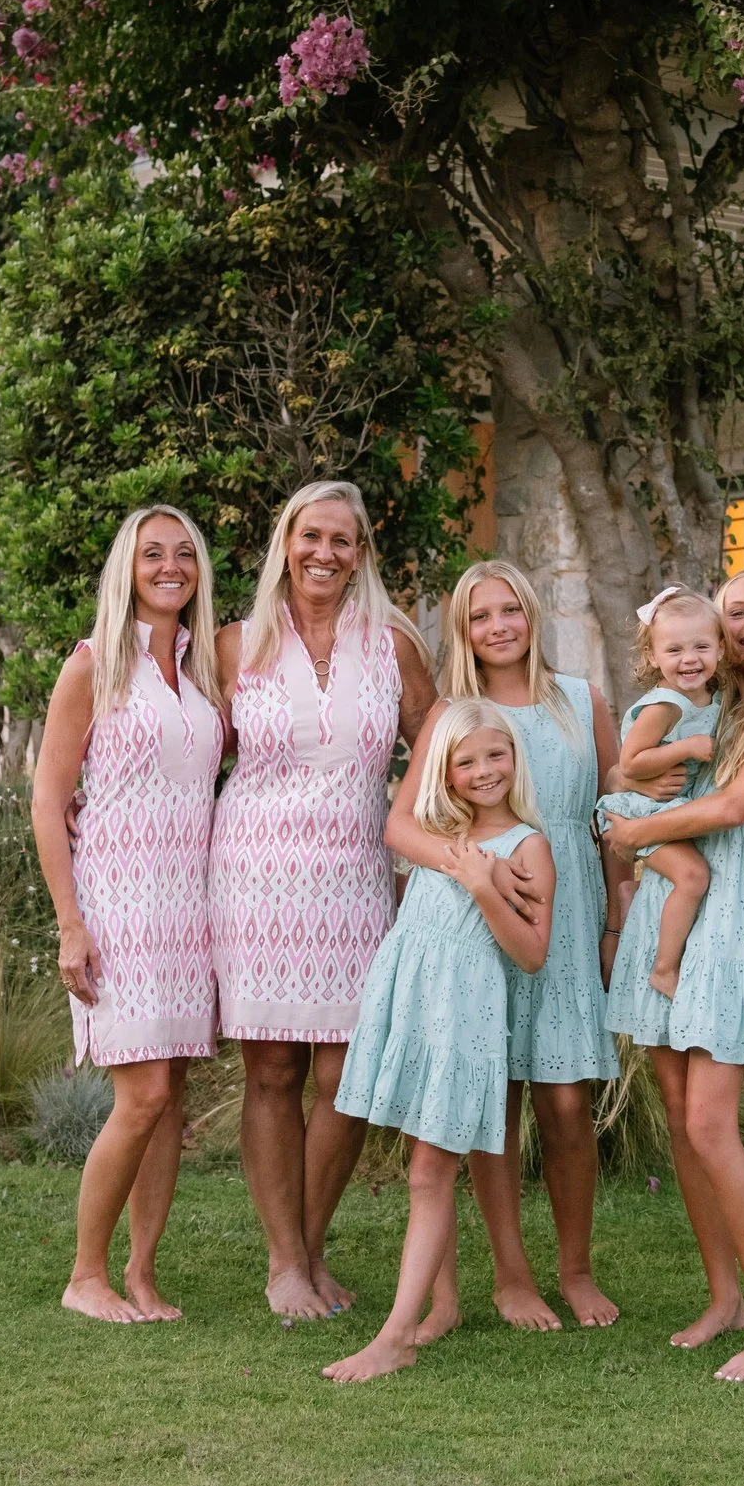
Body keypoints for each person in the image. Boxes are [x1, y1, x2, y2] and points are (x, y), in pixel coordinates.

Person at [210, 481, 437, 1320]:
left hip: (352, 871)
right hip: (253, 873)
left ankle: (307, 1246)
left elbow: (438, 741)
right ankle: (286, 1263)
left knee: (345, 1072)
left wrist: (419, 837)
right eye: (312, 536)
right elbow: (199, 747)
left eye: (343, 540)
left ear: (362, 553)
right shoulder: (235, 645)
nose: (325, 553)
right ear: (286, 542)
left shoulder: (395, 646)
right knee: (272, 1068)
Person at [385, 560, 623, 1330]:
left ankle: (576, 1268)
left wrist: (618, 916)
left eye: (509, 610)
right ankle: (511, 1275)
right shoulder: (459, 711)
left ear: (530, 615)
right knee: (497, 1097)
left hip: (571, 908)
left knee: (564, 1100)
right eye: (481, 615)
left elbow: (612, 813)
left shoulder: (583, 699)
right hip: (482, 925)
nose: (498, 626)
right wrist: (472, 869)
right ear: (465, 630)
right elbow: (402, 824)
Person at [601, 568, 744, 1383]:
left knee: (710, 1127)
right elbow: (630, 768)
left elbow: (732, 809)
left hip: (732, 920)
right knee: (683, 1119)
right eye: (739, 613)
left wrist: (632, 828)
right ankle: (723, 1296)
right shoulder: (705, 701)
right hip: (676, 906)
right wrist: (624, 799)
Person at [33, 506, 225, 1323]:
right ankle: (86, 1274)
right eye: (154, 553)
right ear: (128, 566)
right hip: (118, 900)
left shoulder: (202, 668)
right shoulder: (91, 665)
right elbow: (47, 797)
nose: (171, 566)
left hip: (190, 904)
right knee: (141, 1094)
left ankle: (142, 1272)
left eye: (185, 554)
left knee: (171, 1097)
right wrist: (69, 921)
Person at [326, 701, 556, 1382]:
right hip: (415, 1005)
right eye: (467, 760)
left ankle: (394, 1335)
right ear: (446, 772)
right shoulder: (438, 830)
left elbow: (532, 953)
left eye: (495, 755)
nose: (484, 770)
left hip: (464, 1019)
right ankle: (444, 1300)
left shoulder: (528, 846)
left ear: (514, 759)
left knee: (431, 1170)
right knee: (420, 1159)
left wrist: (485, 887)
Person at [593, 586, 722, 999]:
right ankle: (664, 969)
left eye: (702, 646)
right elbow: (630, 763)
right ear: (653, 657)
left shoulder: (711, 698)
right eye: (675, 650)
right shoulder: (665, 704)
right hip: (638, 808)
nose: (689, 659)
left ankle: (634, 892)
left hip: (664, 808)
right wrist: (685, 748)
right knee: (693, 876)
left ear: (721, 648)